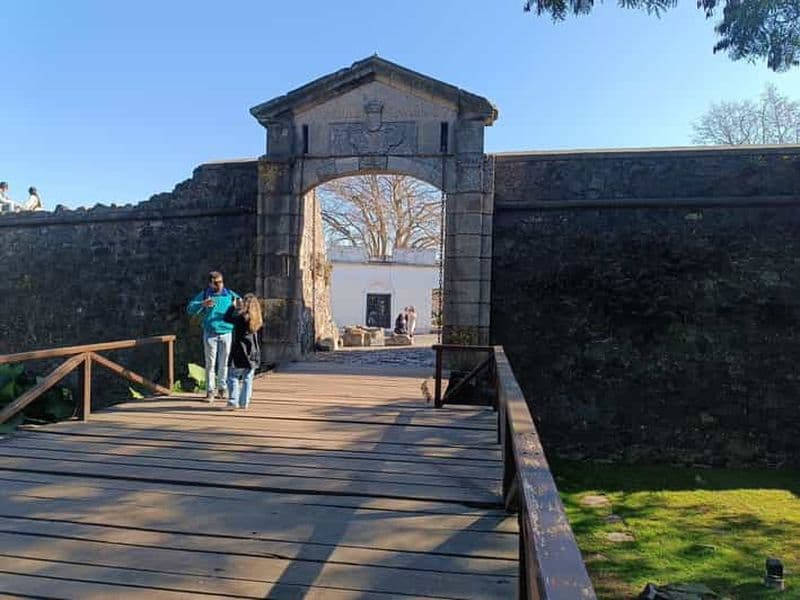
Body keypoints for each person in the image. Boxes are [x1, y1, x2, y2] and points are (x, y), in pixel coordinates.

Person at [186, 271, 240, 403]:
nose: (220, 285)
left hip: (226, 333)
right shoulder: (205, 294)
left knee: (224, 363)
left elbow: (243, 305)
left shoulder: (230, 294)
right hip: (210, 333)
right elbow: (189, 309)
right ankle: (210, 391)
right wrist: (202, 304)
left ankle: (222, 388)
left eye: (221, 282)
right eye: (216, 283)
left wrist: (236, 307)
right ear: (210, 283)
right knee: (210, 364)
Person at [223, 293, 263, 410]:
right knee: (248, 378)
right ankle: (244, 402)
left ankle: (233, 401)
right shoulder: (257, 319)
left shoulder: (241, 318)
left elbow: (226, 318)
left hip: (240, 351)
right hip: (253, 352)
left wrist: (233, 306)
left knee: (233, 376)